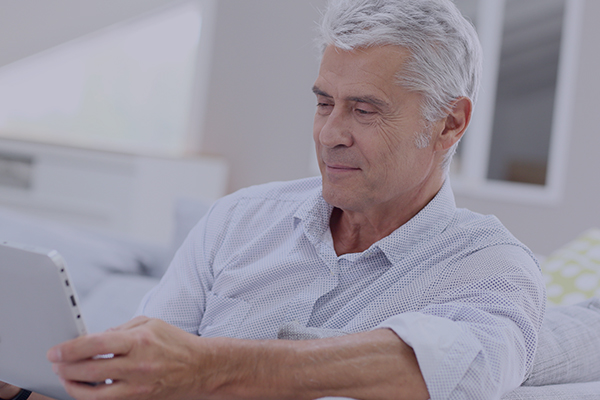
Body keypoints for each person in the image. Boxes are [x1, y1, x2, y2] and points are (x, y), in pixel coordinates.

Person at [0, 0, 546, 399]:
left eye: (364, 110)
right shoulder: (239, 218)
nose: (330, 133)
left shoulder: (492, 268)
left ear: (450, 123)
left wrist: (210, 366)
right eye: (324, 103)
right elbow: (140, 376)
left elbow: (450, 367)